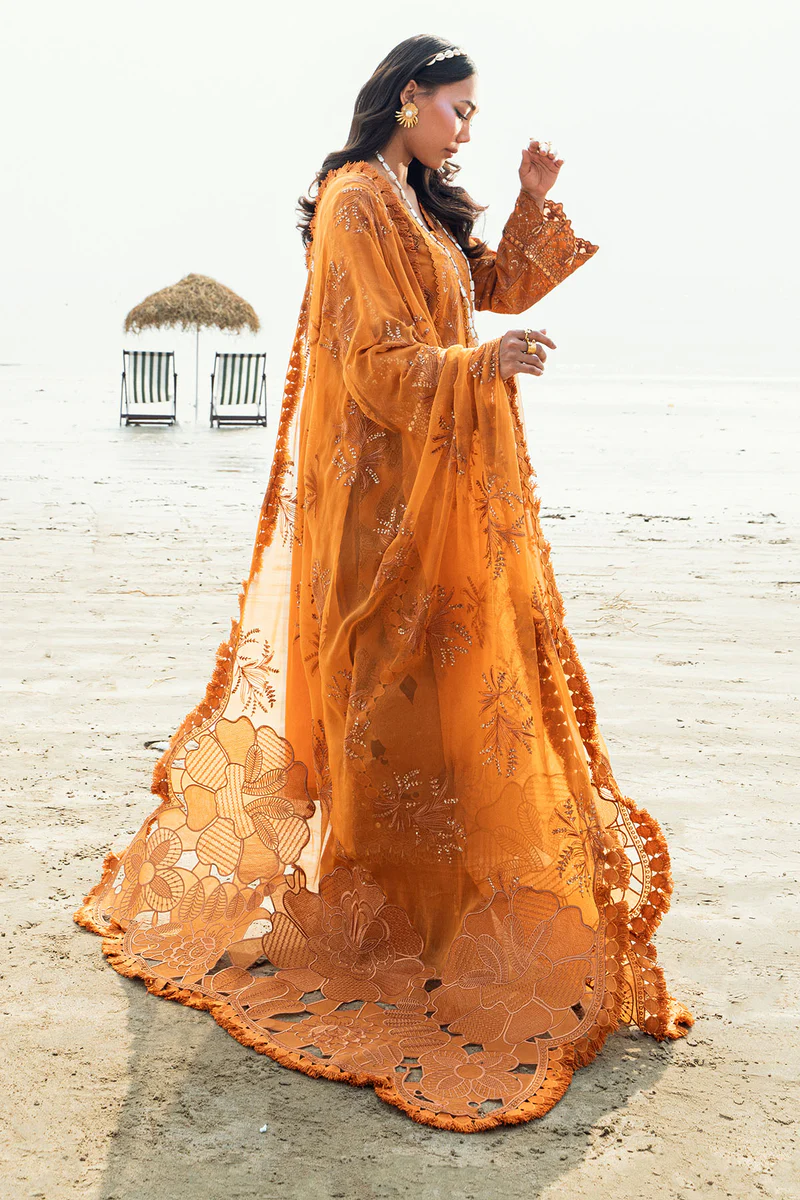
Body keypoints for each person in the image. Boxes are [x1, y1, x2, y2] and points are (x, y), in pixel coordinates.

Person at [75, 34, 693, 1132]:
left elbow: (485, 289)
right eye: (459, 108)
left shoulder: (416, 202)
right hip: (376, 503)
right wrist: (480, 365)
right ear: (409, 98)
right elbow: (373, 358)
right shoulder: (356, 198)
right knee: (387, 708)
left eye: (474, 113)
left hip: (432, 489)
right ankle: (382, 927)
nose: (469, 126)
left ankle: (438, 921)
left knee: (450, 704)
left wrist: (527, 200)